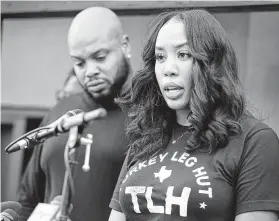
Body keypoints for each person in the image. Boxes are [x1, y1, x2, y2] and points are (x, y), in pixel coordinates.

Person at [108, 9, 279, 221]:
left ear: (211, 62)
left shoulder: (254, 140)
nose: (168, 69)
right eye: (160, 57)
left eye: (183, 54)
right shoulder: (146, 138)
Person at [18, 6, 133, 221]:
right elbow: (28, 200)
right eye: (79, 63)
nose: (90, 71)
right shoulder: (59, 113)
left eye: (99, 57)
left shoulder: (150, 116)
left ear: (125, 46)